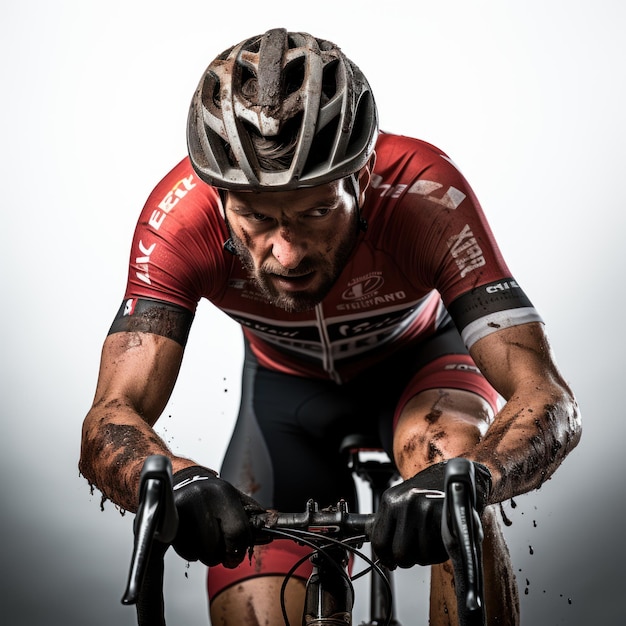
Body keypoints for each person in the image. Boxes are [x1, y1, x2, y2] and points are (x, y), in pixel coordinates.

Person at [79, 28, 581, 625]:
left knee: (448, 464)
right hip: (284, 403)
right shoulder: (178, 222)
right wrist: (174, 483)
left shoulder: (424, 193)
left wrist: (474, 479)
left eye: (316, 211)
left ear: (362, 178)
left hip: (422, 372)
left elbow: (547, 397)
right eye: (256, 217)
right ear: (217, 199)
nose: (285, 254)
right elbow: (110, 416)